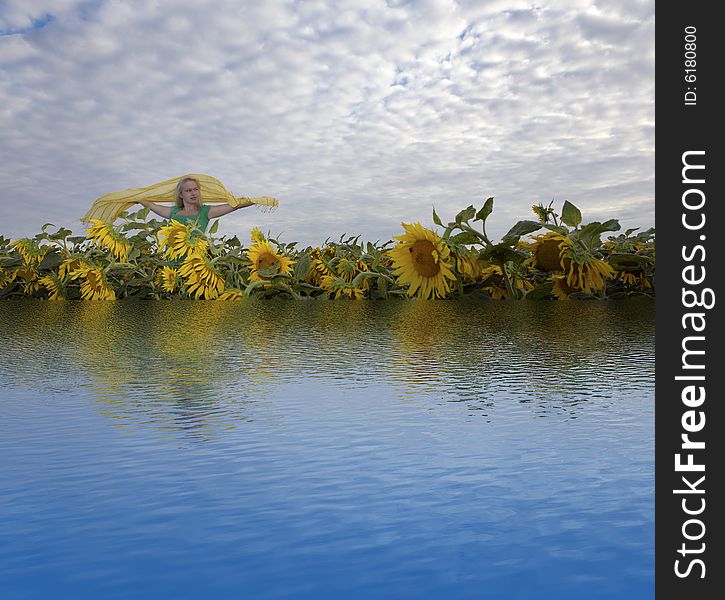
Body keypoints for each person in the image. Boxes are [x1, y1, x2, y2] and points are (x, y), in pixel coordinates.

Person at [140, 176, 253, 232]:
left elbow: (235, 205)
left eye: (195, 189)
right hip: (171, 265)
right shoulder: (173, 212)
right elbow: (150, 205)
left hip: (195, 266)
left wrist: (256, 201)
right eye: (188, 191)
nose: (193, 193)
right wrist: (132, 197)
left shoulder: (205, 212)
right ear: (181, 195)